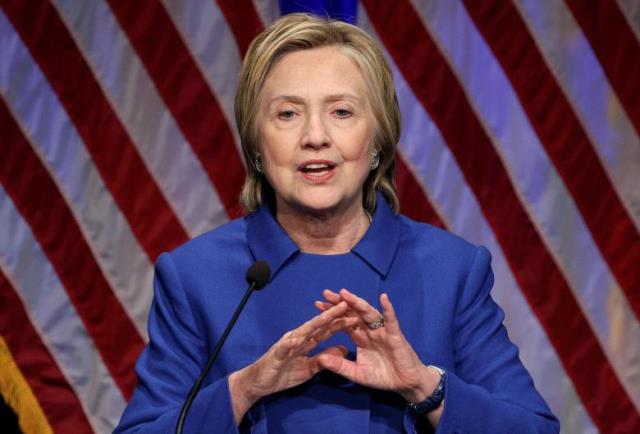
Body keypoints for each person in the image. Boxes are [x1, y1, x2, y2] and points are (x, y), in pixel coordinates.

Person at [115, 13, 559, 434]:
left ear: (377, 145)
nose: (314, 136)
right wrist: (243, 389)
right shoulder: (196, 276)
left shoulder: (451, 270)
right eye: (287, 114)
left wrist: (425, 387)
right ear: (255, 146)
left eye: (341, 112)